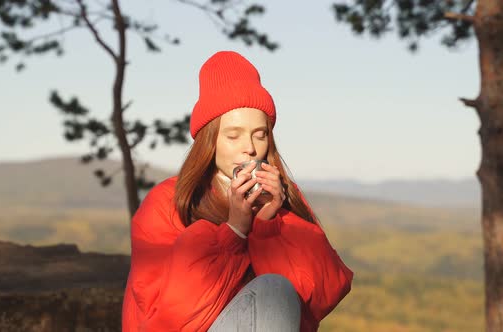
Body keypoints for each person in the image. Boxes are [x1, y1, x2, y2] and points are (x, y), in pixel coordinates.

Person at [121, 51, 353, 332]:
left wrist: (270, 225)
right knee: (272, 291)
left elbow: (320, 299)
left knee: (274, 293)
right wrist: (235, 231)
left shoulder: (284, 198)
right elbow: (168, 320)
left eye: (260, 134)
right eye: (234, 135)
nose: (251, 147)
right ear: (209, 139)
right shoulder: (167, 202)